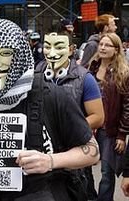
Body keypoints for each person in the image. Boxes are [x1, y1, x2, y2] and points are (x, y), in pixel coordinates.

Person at [0, 19, 99, 201]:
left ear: (20, 56)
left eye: (5, 53)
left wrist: (50, 161)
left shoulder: (50, 96)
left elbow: (92, 151)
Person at [36, 32, 104, 201]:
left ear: (71, 49)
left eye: (59, 47)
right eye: (47, 46)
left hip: (75, 157)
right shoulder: (35, 73)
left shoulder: (85, 79)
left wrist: (68, 131)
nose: (52, 52)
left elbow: (98, 116)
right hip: (41, 157)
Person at [88, 32, 129, 201]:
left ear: (117, 49)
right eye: (101, 44)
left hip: (109, 130)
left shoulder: (123, 73)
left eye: (108, 45)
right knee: (83, 168)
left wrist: (122, 134)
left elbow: (127, 107)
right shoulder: (91, 68)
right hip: (89, 127)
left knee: (106, 171)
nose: (103, 48)